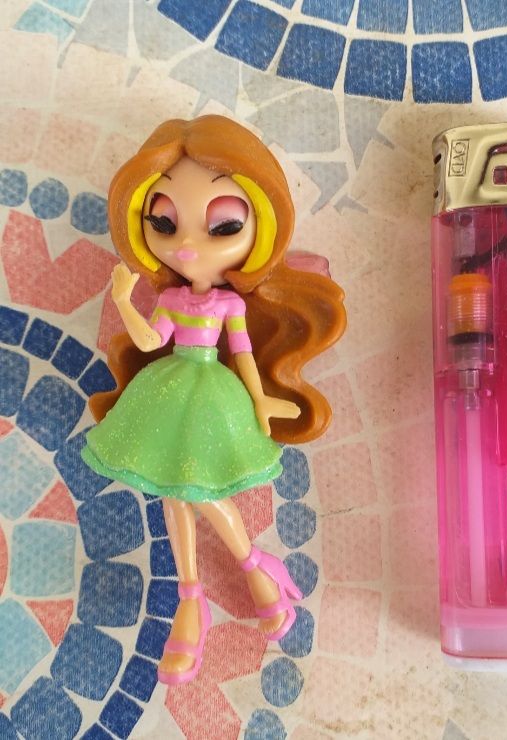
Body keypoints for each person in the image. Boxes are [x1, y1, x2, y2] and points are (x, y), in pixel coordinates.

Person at [81, 116, 345, 685]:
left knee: (196, 491)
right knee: (174, 491)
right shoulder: (171, 298)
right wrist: (124, 300)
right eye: (163, 221)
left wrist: (261, 399)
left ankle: (250, 568)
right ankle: (194, 594)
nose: (187, 245)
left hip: (212, 394)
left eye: (223, 225)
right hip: (168, 389)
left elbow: (244, 354)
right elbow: (149, 341)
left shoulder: (229, 305)